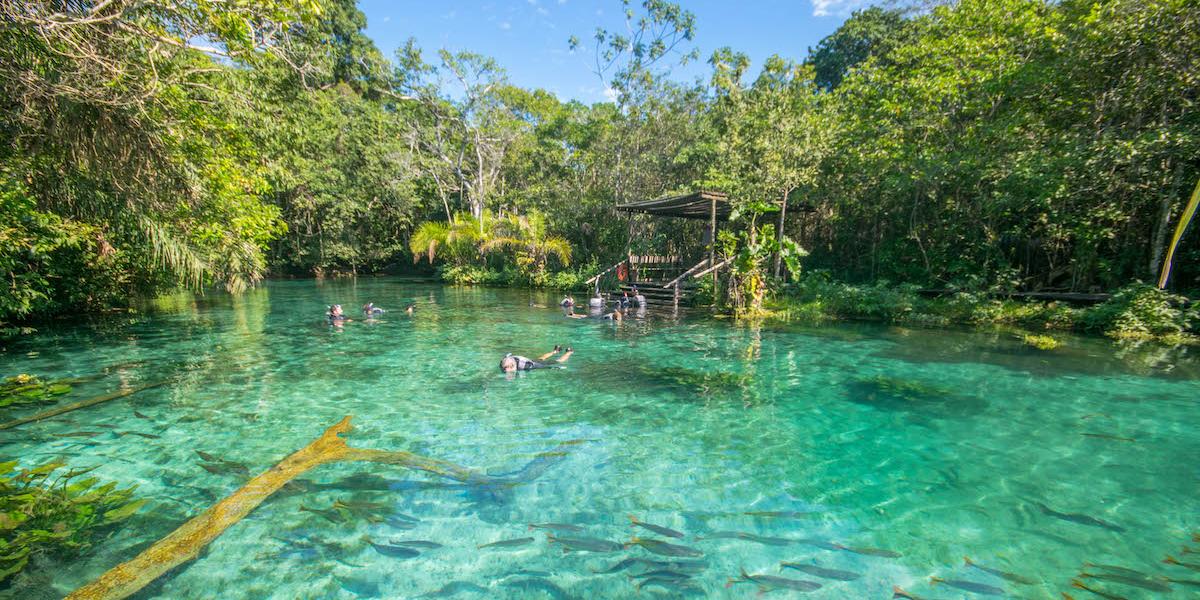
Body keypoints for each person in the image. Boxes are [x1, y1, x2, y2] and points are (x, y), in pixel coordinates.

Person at [499, 346, 573, 373]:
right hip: (528, 360)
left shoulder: (525, 365)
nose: (506, 371)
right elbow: (507, 355)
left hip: (531, 363)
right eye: (505, 369)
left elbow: (541, 367)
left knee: (559, 361)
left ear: (513, 366)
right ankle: (555, 351)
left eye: (509, 371)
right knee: (541, 358)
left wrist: (555, 367)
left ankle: (569, 352)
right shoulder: (503, 362)